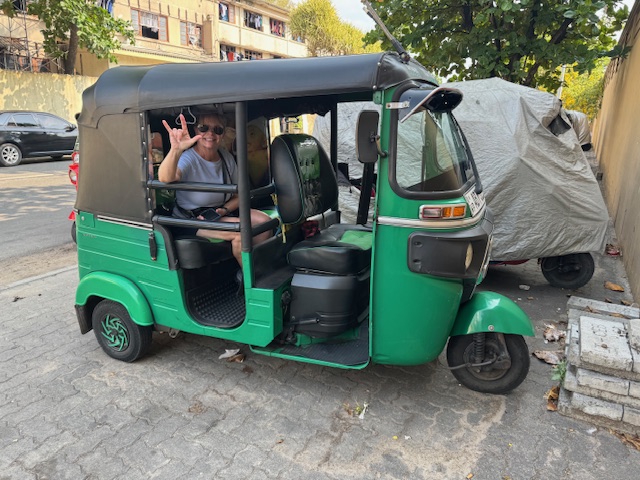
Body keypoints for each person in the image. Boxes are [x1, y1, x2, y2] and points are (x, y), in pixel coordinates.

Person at [158, 112, 272, 268]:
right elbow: (165, 178)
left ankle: (254, 266)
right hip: (191, 219)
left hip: (218, 212)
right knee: (240, 232)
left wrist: (224, 210)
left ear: (223, 134)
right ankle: (252, 277)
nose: (210, 134)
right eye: (204, 128)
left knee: (265, 222)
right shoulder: (188, 158)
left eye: (217, 129)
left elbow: (239, 195)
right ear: (196, 130)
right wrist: (176, 150)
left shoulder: (226, 158)